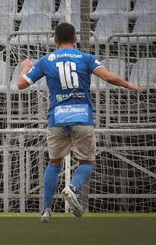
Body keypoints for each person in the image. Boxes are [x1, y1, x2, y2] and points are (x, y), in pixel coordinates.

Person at [17, 23, 143, 223]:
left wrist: (25, 67)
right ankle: (73, 188)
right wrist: (129, 84)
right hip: (82, 117)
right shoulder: (86, 58)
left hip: (57, 118)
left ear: (55, 40)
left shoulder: (46, 60)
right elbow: (108, 77)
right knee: (87, 162)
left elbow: (21, 84)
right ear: (75, 39)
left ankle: (46, 211)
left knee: (54, 163)